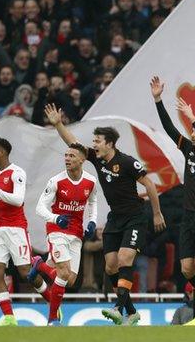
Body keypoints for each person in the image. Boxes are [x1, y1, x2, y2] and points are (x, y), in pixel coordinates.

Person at [44, 104, 165, 325]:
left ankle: (118, 307)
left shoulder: (127, 162)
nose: (94, 144)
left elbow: (149, 184)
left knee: (124, 259)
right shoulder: (98, 159)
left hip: (135, 218)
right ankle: (131, 311)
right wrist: (59, 124)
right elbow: (74, 144)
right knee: (110, 265)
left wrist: (156, 214)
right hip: (115, 218)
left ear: (109, 144)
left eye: (98, 141)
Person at [150, 76, 195, 326]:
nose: (191, 134)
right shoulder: (188, 150)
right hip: (188, 218)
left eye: (194, 131)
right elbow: (170, 129)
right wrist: (158, 100)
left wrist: (194, 118)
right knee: (187, 270)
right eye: (192, 131)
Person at [0, 138, 49, 326]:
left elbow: (18, 200)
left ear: (2, 153)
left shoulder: (17, 172)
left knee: (26, 273)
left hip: (16, 229)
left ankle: (53, 302)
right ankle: (9, 318)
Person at [30, 143, 98, 325]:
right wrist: (55, 218)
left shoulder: (91, 181)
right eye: (66, 155)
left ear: (82, 160)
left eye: (72, 156)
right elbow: (39, 208)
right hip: (56, 231)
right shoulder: (56, 181)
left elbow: (93, 202)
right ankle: (53, 320)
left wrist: (92, 221)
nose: (67, 158)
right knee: (63, 273)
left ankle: (39, 264)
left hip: (76, 233)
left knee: (71, 280)